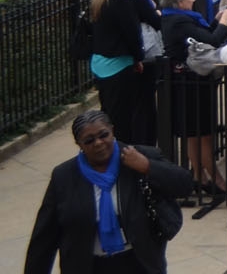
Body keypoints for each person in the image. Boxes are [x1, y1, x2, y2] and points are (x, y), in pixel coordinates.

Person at [25, 109, 193, 274]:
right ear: (79, 144)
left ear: (112, 131)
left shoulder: (138, 156)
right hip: (89, 265)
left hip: (139, 263)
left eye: (103, 135)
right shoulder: (64, 176)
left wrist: (148, 166)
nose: (98, 143)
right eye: (89, 140)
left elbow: (184, 185)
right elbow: (44, 239)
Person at [157, 0, 227, 198]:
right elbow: (211, 41)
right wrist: (224, 22)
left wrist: (216, 20)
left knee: (196, 133)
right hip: (190, 86)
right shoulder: (180, 22)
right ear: (179, 1)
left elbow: (200, 39)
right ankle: (215, 179)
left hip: (192, 83)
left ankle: (199, 176)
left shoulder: (179, 19)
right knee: (202, 133)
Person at [89, 0, 161, 147]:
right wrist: (138, 58)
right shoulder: (120, 0)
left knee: (109, 115)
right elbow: (132, 34)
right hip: (120, 66)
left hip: (101, 64)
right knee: (123, 124)